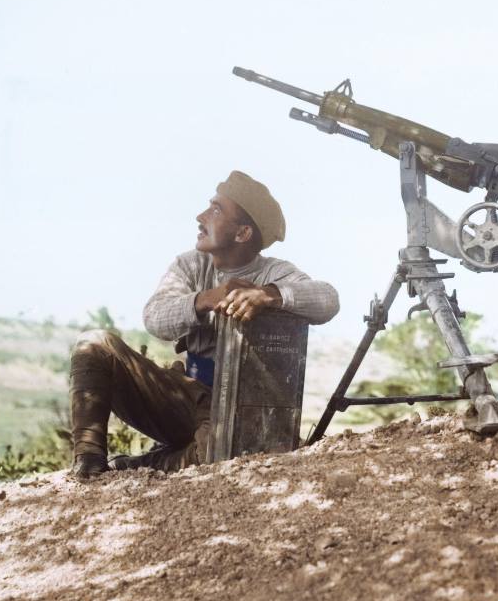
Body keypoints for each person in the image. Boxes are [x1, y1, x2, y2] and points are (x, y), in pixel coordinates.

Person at [68, 171, 339, 478]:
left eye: (216, 210)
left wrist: (270, 295)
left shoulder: (275, 272)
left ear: (242, 234)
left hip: (238, 409)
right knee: (94, 344)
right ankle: (89, 461)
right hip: (184, 398)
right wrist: (206, 299)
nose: (200, 218)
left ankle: (144, 465)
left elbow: (328, 299)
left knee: (221, 451)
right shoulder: (190, 264)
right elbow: (155, 318)